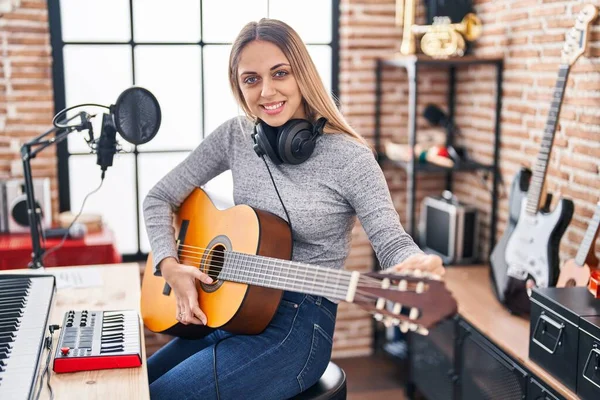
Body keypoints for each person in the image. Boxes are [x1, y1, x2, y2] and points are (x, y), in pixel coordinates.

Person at [143, 18, 444, 400]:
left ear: (302, 74)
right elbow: (158, 197)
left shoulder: (351, 158)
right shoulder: (235, 136)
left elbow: (391, 240)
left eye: (280, 73)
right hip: (233, 308)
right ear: (239, 87)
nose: (267, 91)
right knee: (137, 387)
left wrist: (416, 264)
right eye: (251, 79)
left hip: (298, 326)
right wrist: (169, 263)